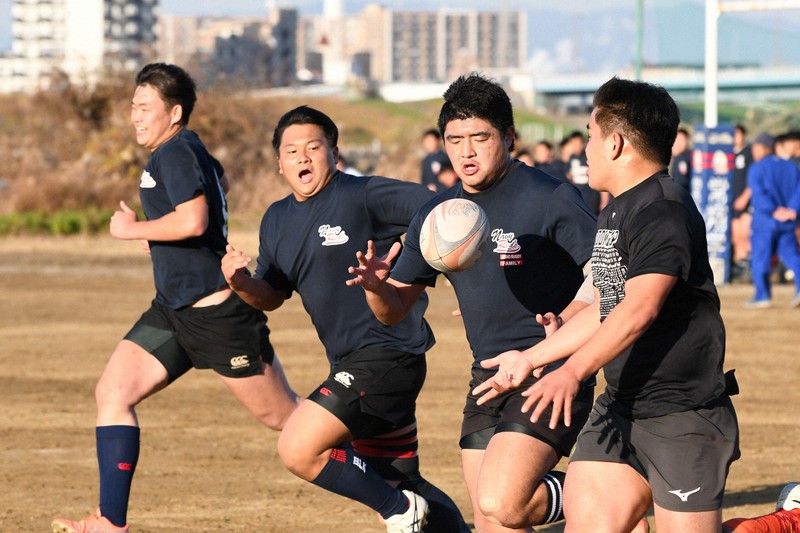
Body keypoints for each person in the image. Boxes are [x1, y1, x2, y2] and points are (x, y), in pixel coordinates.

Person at [472, 76, 743, 533]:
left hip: (682, 416)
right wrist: (530, 359)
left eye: (591, 136)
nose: (586, 149)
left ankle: (779, 523)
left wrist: (572, 372)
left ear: (615, 144)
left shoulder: (663, 211)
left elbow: (639, 309)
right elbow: (606, 306)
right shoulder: (615, 211)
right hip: (618, 411)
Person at [51, 63, 300, 533]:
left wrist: (134, 230)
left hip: (216, 314)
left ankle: (388, 476)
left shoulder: (176, 152)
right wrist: (163, 237)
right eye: (133, 105)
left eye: (146, 107)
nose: (135, 115)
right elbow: (218, 187)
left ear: (175, 113)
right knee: (113, 392)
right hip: (172, 311)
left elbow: (193, 219)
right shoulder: (187, 148)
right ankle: (110, 522)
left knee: (286, 418)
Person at [348, 73, 599, 532]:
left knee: (502, 498)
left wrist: (565, 322)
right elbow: (394, 309)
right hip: (488, 377)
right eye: (454, 140)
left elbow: (606, 278)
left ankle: (612, 489)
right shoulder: (437, 216)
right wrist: (375, 288)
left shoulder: (551, 197)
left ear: (508, 137)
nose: (466, 152)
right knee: (491, 518)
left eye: (480, 138)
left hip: (550, 370)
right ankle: (605, 495)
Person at [221, 105, 469, 532]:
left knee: (299, 448)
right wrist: (241, 282)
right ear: (279, 163)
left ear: (334, 153)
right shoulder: (276, 219)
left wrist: (441, 272)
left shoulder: (364, 194)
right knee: (397, 480)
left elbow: (446, 210)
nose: (302, 157)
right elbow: (272, 294)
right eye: (291, 151)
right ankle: (417, 511)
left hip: (389, 355)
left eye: (313, 147)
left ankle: (399, 511)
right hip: (351, 362)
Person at [745, 132, 800, 309]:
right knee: (793, 257)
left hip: (765, 221)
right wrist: (791, 211)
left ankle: (762, 295)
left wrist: (774, 210)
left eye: (756, 147)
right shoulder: (792, 167)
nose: (753, 150)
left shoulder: (757, 168)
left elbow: (758, 195)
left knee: (760, 259)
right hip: (787, 222)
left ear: (765, 148)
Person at [731, 123, 754, 282]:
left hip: (746, 203)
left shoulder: (748, 154)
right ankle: (741, 266)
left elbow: (753, 181)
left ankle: (750, 266)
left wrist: (745, 197)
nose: (735, 138)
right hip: (732, 203)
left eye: (737, 134)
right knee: (736, 236)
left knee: (745, 235)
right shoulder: (728, 154)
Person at [420, 128, 451, 193]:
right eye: (426, 141)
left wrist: (437, 187)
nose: (428, 144)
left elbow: (450, 180)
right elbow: (424, 180)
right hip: (428, 194)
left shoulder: (445, 158)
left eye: (430, 141)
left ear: (438, 140)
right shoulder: (425, 160)